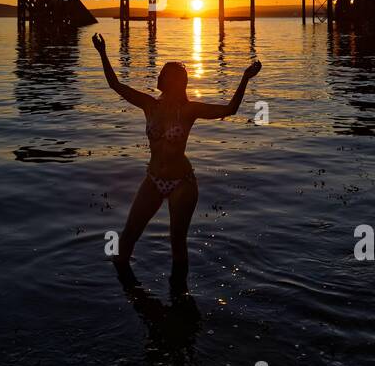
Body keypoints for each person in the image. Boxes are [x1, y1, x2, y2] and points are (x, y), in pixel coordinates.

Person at [91, 32, 260, 295]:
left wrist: (244, 78)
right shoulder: (148, 104)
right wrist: (102, 52)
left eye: (164, 74)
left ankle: (179, 297)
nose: (159, 77)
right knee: (127, 237)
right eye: (161, 74)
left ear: (175, 82)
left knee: (177, 244)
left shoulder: (189, 110)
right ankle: (121, 292)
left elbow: (230, 109)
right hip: (153, 179)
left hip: (183, 182)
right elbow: (116, 85)